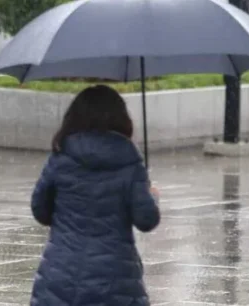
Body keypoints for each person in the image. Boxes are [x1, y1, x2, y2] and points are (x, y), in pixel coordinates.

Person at [30, 85, 161, 305]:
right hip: (115, 278)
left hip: (61, 274)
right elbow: (146, 220)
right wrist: (151, 195)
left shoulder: (61, 156)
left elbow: (40, 211)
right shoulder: (129, 160)